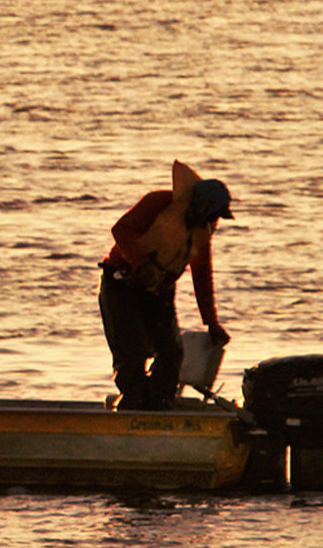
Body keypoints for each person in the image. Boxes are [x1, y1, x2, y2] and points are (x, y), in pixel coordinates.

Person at [98, 161, 233, 411]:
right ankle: (132, 405)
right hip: (122, 284)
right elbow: (121, 229)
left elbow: (202, 273)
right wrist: (141, 263)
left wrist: (211, 322)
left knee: (171, 352)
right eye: (213, 214)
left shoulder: (202, 230)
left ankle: (159, 405)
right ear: (200, 205)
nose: (214, 220)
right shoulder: (159, 203)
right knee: (133, 353)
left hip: (159, 292)